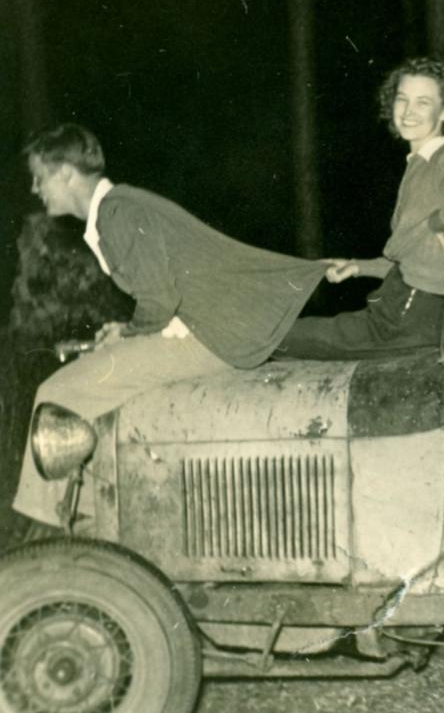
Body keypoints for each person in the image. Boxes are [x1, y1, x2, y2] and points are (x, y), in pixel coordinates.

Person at [15, 123, 328, 527]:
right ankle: (92, 513)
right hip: (209, 329)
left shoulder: (117, 213)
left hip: (211, 337)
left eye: (39, 178)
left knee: (55, 394)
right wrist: (125, 330)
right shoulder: (119, 207)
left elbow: (159, 301)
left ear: (66, 173)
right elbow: (161, 293)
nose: (35, 189)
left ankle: (54, 523)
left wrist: (127, 333)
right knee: (93, 379)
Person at [276, 57, 444, 359]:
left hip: (407, 318)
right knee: (289, 337)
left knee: (280, 336)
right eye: (402, 99)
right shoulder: (420, 163)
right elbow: (411, 258)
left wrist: (435, 222)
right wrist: (357, 267)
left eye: (423, 103)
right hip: (403, 306)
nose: (408, 112)